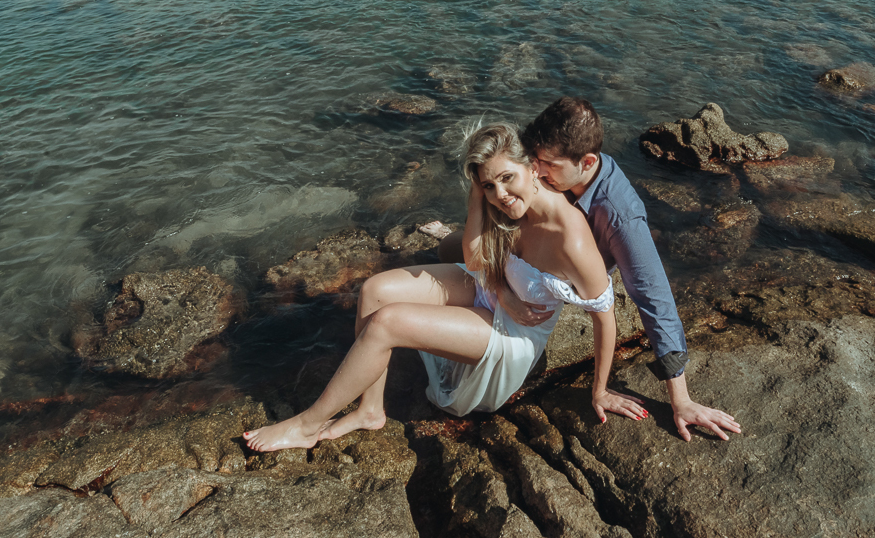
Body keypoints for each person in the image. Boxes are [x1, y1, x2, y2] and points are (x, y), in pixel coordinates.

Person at [244, 122, 645, 453]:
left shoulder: (570, 239)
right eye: (489, 186)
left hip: (514, 333)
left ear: (533, 168)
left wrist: (600, 390)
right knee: (374, 291)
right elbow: (476, 260)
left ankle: (306, 426)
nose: (502, 196)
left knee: (386, 323)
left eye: (507, 178)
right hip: (492, 290)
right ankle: (369, 409)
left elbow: (605, 316)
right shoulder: (504, 202)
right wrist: (478, 198)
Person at [439, 98, 741, 442]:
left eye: (546, 165)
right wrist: (501, 287)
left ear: (587, 163)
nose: (536, 170)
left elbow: (654, 299)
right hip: (522, 258)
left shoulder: (621, 218)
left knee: (451, 254)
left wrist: (681, 400)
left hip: (560, 273)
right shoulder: (558, 163)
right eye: (534, 159)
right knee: (447, 247)